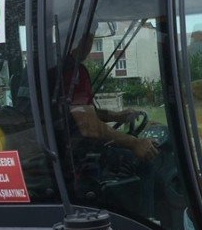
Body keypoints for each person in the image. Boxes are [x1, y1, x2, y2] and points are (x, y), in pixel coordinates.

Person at [62, 26, 157, 162]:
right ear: (78, 38)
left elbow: (80, 113)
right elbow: (89, 125)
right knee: (145, 162)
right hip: (78, 155)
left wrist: (117, 116)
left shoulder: (49, 65)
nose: (89, 44)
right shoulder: (72, 71)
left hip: (66, 149)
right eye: (89, 37)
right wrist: (135, 143)